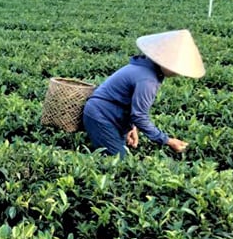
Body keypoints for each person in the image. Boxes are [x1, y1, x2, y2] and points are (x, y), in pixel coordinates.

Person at [82, 29, 204, 158]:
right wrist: (168, 141)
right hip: (101, 116)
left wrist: (131, 127)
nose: (178, 73)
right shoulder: (147, 79)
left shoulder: (144, 69)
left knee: (121, 156)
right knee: (118, 162)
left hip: (110, 114)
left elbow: (128, 102)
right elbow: (139, 115)